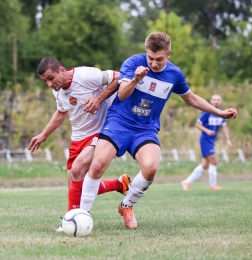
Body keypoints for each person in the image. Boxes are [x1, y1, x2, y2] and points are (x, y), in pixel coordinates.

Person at [79, 31, 237, 229]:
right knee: (98, 165)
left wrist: (219, 112)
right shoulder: (132, 63)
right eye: (150, 58)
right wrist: (136, 79)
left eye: (159, 59)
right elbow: (122, 94)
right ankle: (82, 215)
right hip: (119, 122)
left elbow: (192, 98)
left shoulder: (175, 74)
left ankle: (126, 206)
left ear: (168, 54)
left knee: (151, 168)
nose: (153, 63)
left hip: (145, 129)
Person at [28, 57, 131, 231]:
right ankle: (119, 184)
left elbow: (120, 77)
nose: (48, 84)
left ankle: (72, 221)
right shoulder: (58, 90)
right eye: (45, 81)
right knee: (76, 187)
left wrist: (99, 98)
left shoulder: (85, 75)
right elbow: (61, 112)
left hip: (101, 131)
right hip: (78, 138)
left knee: (77, 170)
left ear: (61, 70)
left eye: (50, 78)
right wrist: (43, 134)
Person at [181, 94, 232, 191]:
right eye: (214, 99)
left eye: (218, 100)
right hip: (205, 140)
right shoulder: (207, 112)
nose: (216, 101)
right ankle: (213, 185)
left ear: (220, 102)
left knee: (204, 165)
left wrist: (228, 140)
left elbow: (223, 127)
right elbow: (197, 124)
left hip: (211, 141)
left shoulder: (222, 113)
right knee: (214, 161)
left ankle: (186, 182)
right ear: (211, 101)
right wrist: (207, 131)